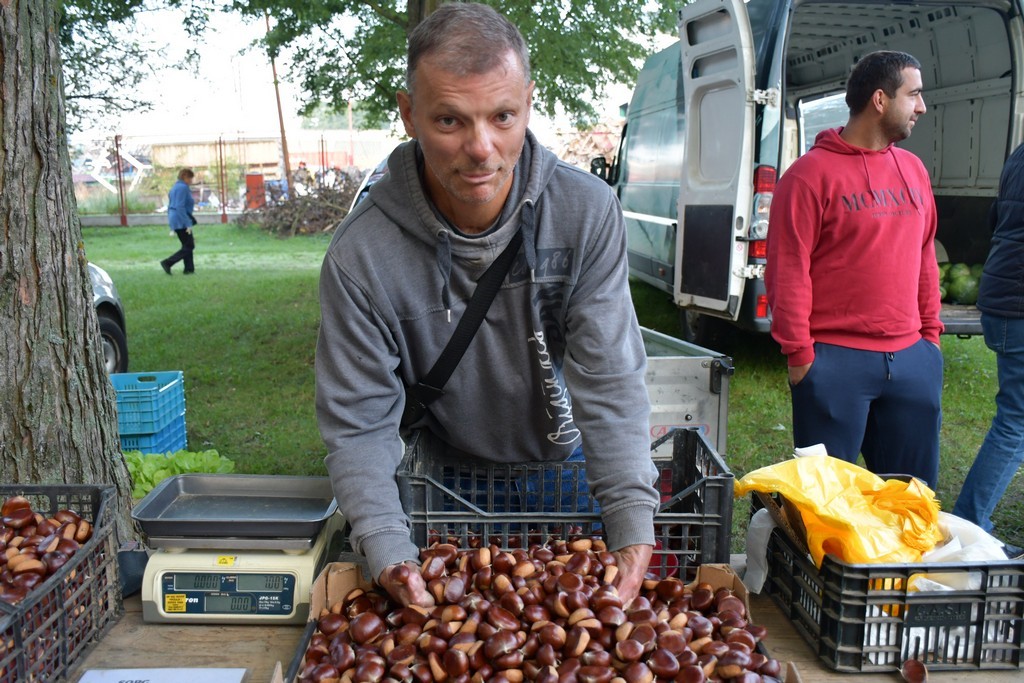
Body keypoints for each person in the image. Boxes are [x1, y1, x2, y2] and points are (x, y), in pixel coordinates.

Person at [315, 3, 658, 607]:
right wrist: (386, 546)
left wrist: (630, 515)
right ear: (409, 115)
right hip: (443, 481)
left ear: (527, 102)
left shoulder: (586, 214)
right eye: (449, 120)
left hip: (568, 466)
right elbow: (360, 421)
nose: (481, 148)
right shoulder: (361, 256)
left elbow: (609, 377)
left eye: (503, 116)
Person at [764, 50, 944, 489]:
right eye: (914, 95)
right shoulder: (808, 176)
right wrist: (801, 357)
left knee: (911, 501)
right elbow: (788, 271)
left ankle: (905, 564)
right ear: (880, 100)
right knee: (827, 505)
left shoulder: (914, 170)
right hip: (832, 363)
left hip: (911, 362)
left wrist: (931, 341)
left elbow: (925, 258)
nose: (921, 106)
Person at [952, 142, 1024, 559]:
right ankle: (969, 526)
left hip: (1003, 297)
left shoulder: (1017, 154)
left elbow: (998, 215)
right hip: (1017, 305)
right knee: (1014, 424)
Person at [161, 168, 197, 275]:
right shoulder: (183, 188)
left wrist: (172, 225)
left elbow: (171, 205)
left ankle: (189, 269)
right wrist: (188, 223)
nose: (191, 181)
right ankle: (168, 262)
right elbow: (180, 206)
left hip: (175, 219)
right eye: (190, 178)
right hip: (181, 219)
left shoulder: (175, 187)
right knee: (189, 245)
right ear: (185, 177)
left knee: (186, 245)